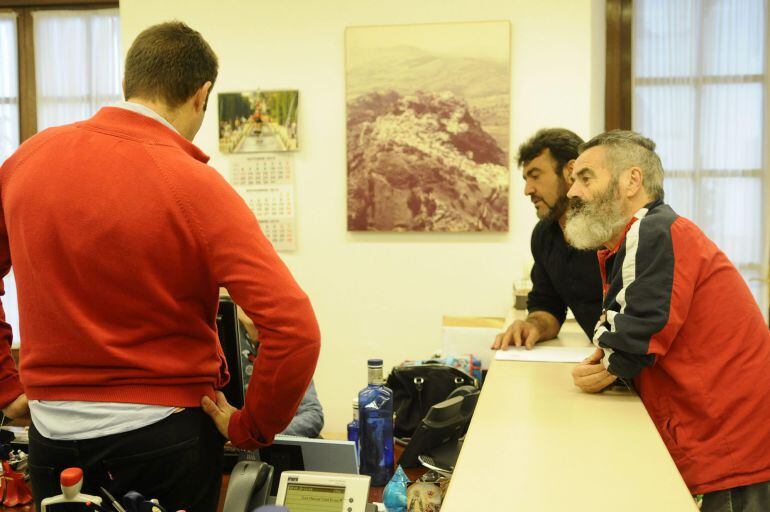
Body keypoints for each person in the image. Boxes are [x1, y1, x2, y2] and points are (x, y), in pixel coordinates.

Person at [0, 21, 320, 512]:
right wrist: (250, 426)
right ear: (202, 94)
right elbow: (295, 328)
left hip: (49, 440)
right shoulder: (193, 183)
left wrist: (6, 382)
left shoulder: (25, 162)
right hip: (164, 439)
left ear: (126, 85)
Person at [566, 130, 770, 511]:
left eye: (585, 177)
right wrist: (609, 352)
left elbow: (628, 341)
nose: (573, 192)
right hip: (718, 431)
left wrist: (608, 359)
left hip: (726, 440)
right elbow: (612, 329)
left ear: (631, 180)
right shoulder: (634, 238)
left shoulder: (654, 230)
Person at [493, 128, 602, 350]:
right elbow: (547, 304)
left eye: (535, 176)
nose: (527, 190)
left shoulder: (611, 230)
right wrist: (532, 325)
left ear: (571, 172)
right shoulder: (544, 235)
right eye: (525, 179)